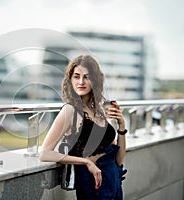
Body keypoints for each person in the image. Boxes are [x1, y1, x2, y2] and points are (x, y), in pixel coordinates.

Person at [39, 54, 127, 199]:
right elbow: (45, 154)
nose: (81, 81)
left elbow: (119, 160)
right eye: (76, 76)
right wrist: (85, 162)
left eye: (87, 77)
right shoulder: (69, 110)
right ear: (70, 79)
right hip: (92, 185)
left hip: (113, 181)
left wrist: (121, 126)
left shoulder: (98, 110)